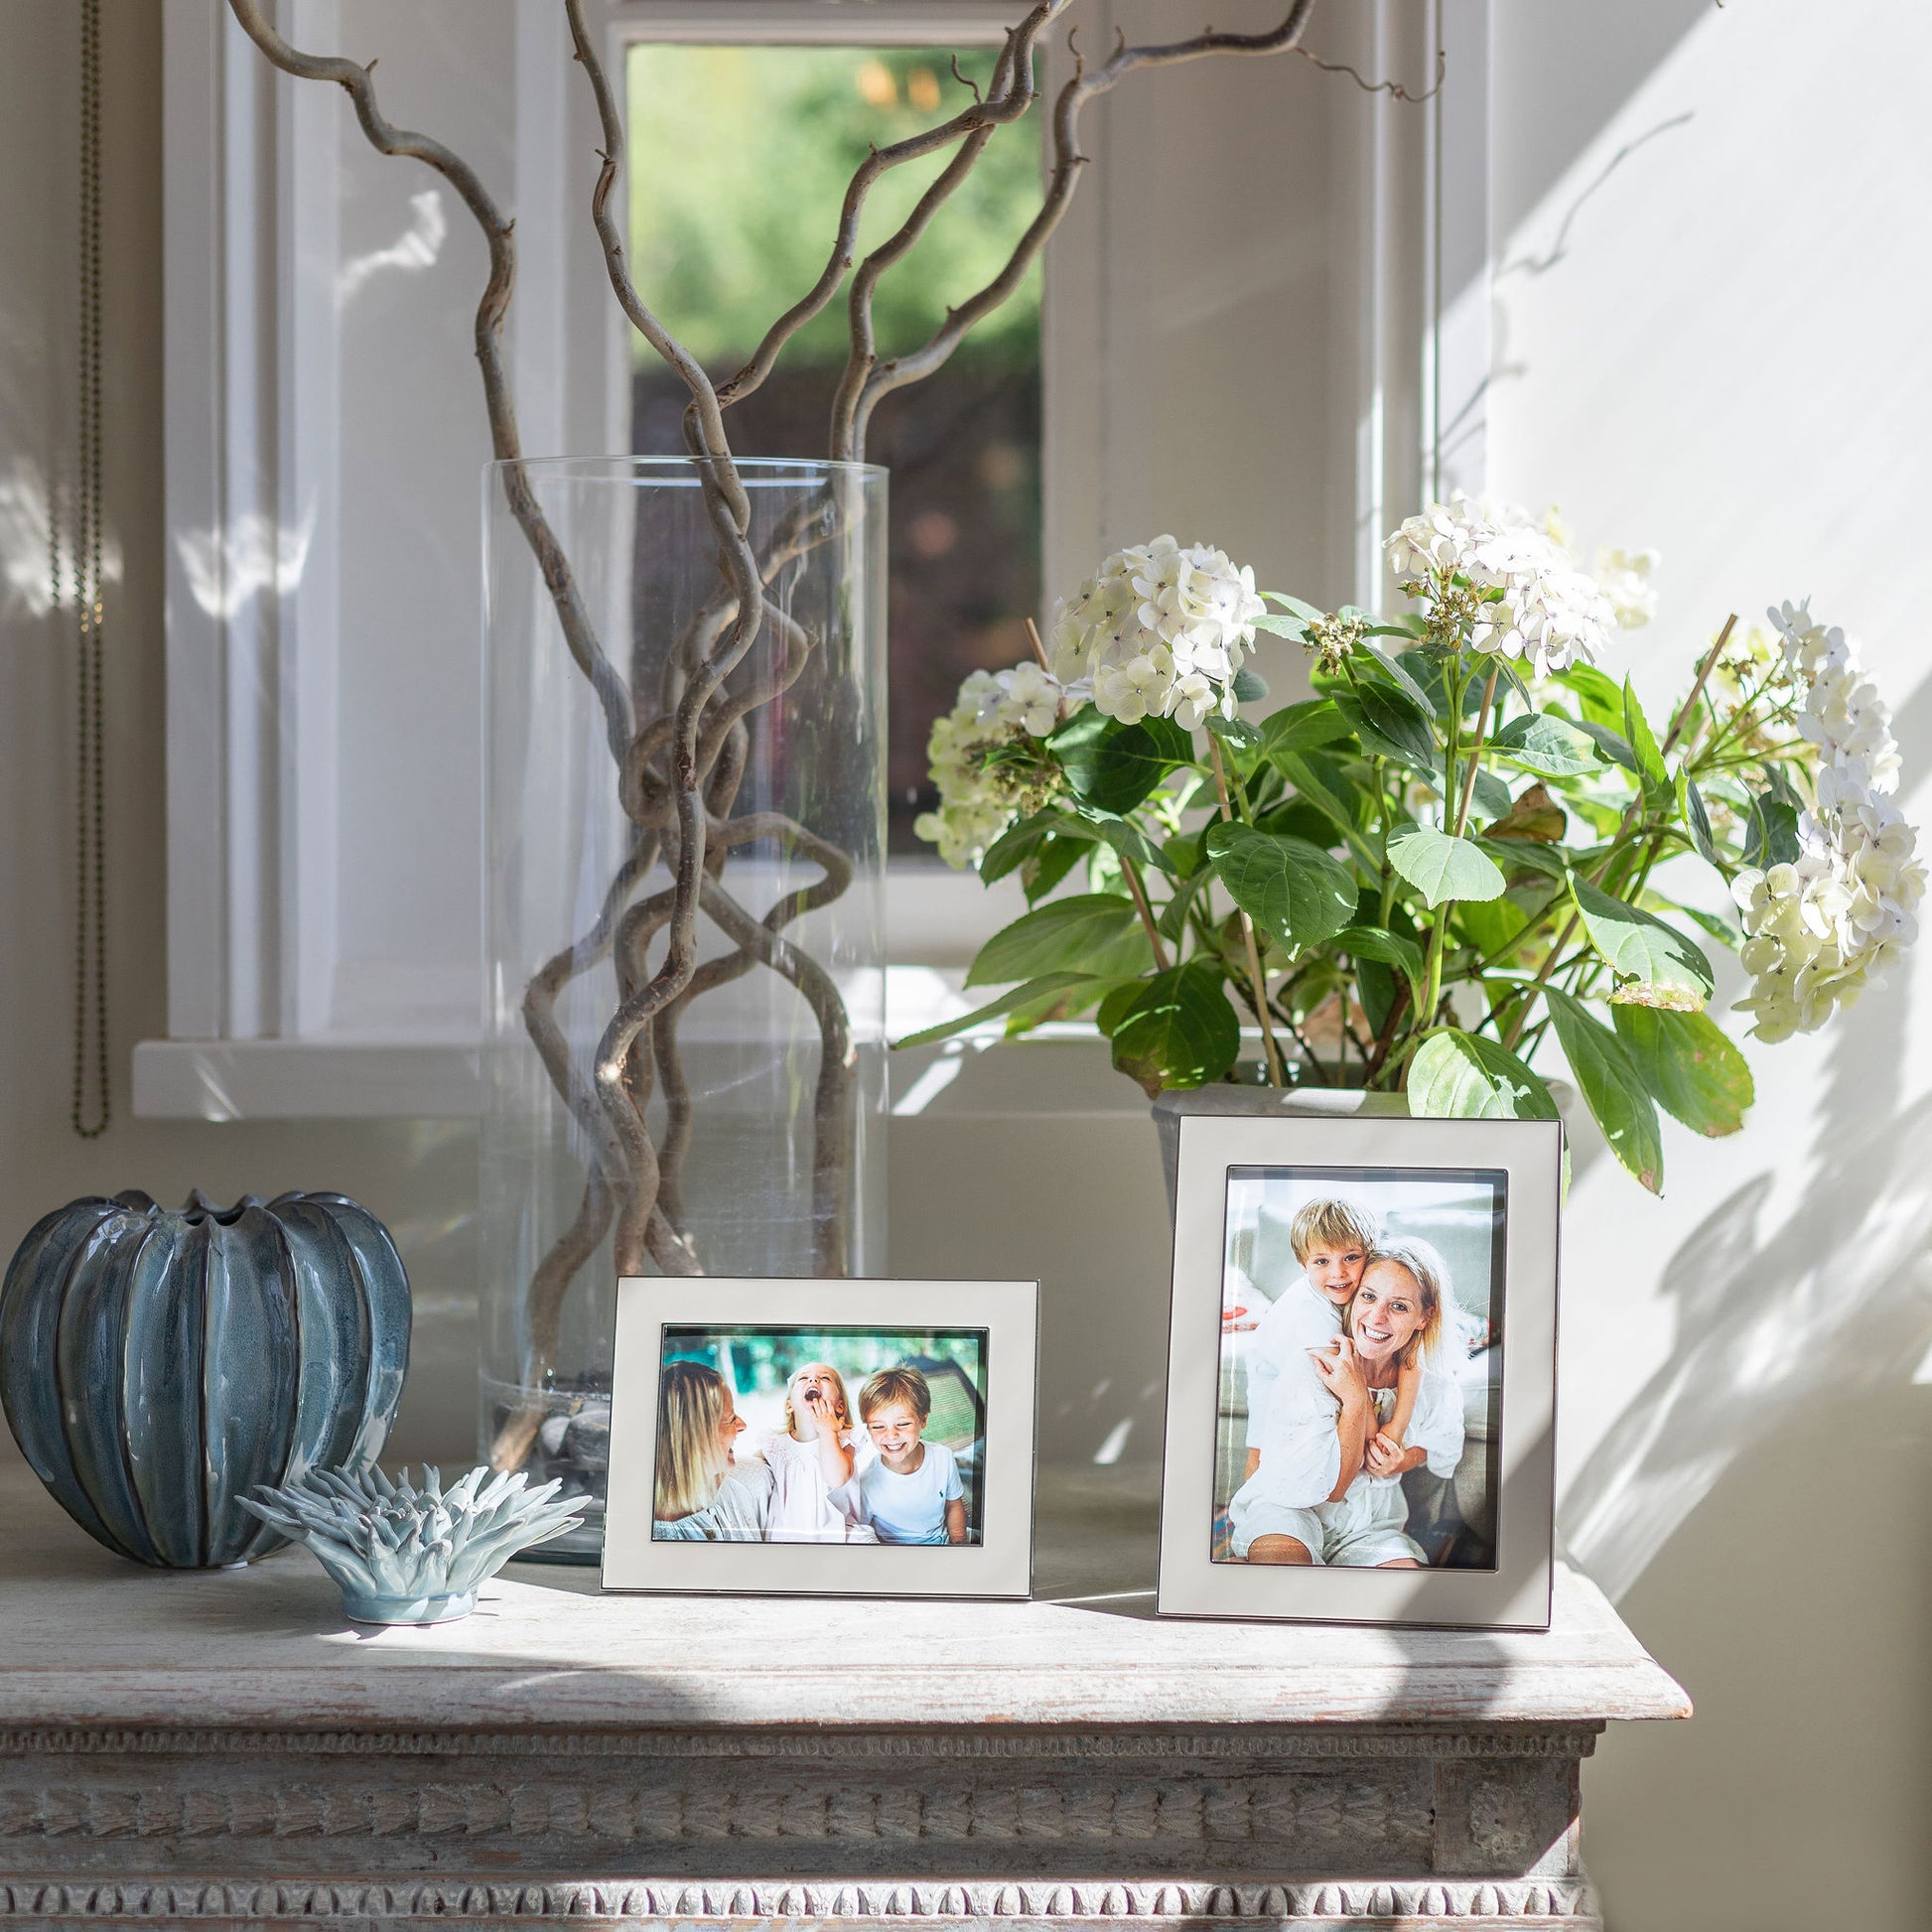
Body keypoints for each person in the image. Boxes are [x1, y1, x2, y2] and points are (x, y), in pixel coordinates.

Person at [1227, 1238, 1465, 1568]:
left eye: (1399, 1306)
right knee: (1282, 1583)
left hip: (1369, 1524)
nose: (1377, 1317)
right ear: (1353, 1299)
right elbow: (1333, 1490)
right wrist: (1355, 1400)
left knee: (1400, 1593)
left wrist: (1402, 1461)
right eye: (1368, 1297)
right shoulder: (1318, 1365)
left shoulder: (1431, 1378)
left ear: (1425, 1316)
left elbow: (1441, 1445)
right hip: (1290, 1506)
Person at [1238, 1196, 1381, 1487]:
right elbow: (1344, 1378)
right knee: (1263, 1448)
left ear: (1371, 1254)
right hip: (1270, 1369)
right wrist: (1370, 1425)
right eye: (1322, 1261)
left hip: (1282, 1356)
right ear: (1303, 1264)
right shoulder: (1312, 1316)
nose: (1338, 1272)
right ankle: (1248, 1513)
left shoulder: (1345, 1292)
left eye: (1351, 1258)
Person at [651, 1359, 774, 1541]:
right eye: (731, 1418)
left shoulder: (754, 1481)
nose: (742, 1425)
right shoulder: (634, 1520)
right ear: (693, 1434)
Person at [759, 1361, 877, 1543]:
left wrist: (827, 1431)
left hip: (838, 1533)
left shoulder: (845, 1438)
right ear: (789, 1405)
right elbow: (745, 1469)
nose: (813, 1379)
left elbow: (836, 1478)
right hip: (786, 1537)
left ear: (839, 1406)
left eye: (824, 1378)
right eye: (804, 1378)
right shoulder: (775, 1443)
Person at [856, 1365, 967, 1545]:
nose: (891, 1435)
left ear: (923, 1420)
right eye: (878, 1426)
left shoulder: (943, 1458)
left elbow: (954, 1505)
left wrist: (959, 1545)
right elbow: (862, 1533)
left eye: (902, 1424)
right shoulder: (866, 1483)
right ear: (868, 1428)